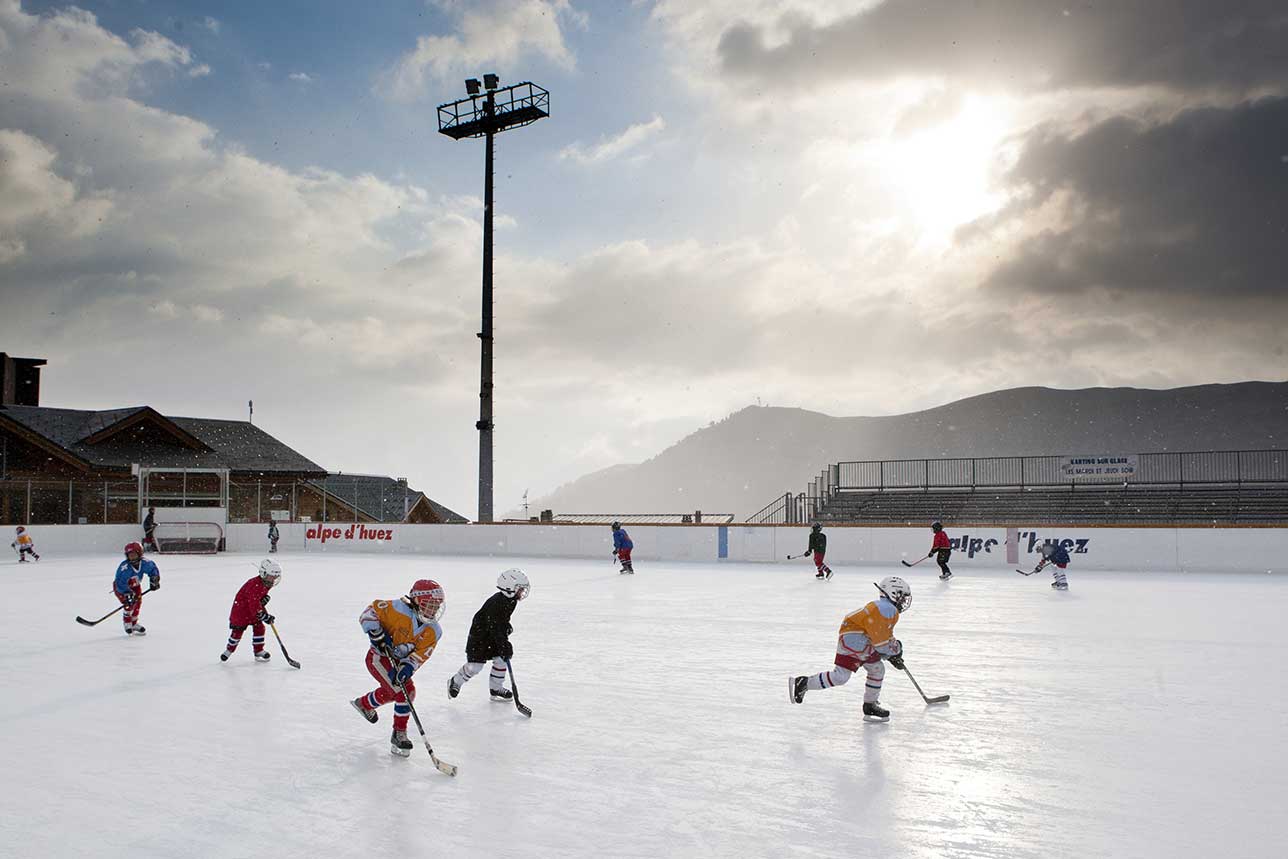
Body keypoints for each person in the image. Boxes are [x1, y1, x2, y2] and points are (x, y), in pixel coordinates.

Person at [789, 576, 912, 721]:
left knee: (877, 669)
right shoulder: (887, 609)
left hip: (862, 639)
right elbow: (881, 642)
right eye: (902, 597)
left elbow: (882, 636)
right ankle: (803, 683)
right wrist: (895, 651)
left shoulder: (884, 608)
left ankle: (870, 705)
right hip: (854, 640)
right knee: (841, 676)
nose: (904, 601)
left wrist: (890, 654)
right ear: (893, 593)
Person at [350, 579, 445, 757]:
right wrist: (375, 632)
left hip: (398, 662)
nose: (434, 610)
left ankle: (364, 704)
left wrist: (407, 667)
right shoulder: (395, 609)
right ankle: (398, 734)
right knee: (406, 692)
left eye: (437, 605)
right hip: (378, 659)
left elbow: (419, 655)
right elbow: (368, 613)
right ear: (416, 600)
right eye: (430, 605)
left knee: (396, 691)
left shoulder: (434, 631)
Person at [449, 569, 530, 702]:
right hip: (480, 637)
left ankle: (495, 688)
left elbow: (501, 621)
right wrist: (504, 644)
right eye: (520, 589)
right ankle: (455, 681)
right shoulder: (496, 602)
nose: (522, 592)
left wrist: (506, 628)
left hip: (493, 633)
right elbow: (495, 626)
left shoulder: (511, 600)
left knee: (501, 659)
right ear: (509, 588)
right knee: (475, 666)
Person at [221, 560, 281, 662]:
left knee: (260, 628)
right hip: (241, 611)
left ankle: (258, 650)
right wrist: (263, 615)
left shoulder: (266, 584)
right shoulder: (254, 584)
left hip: (253, 612)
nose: (274, 579)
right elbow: (253, 603)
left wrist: (263, 608)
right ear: (264, 573)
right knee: (237, 632)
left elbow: (257, 602)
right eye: (272, 576)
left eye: (275, 576)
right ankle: (229, 650)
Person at [113, 541, 160, 636]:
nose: (131, 557)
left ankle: (134, 623)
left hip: (136, 586)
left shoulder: (145, 563)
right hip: (121, 588)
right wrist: (126, 593)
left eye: (134, 554)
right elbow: (119, 582)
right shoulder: (125, 568)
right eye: (129, 555)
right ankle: (127, 622)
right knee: (129, 605)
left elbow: (153, 570)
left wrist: (154, 579)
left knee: (137, 604)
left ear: (140, 553)